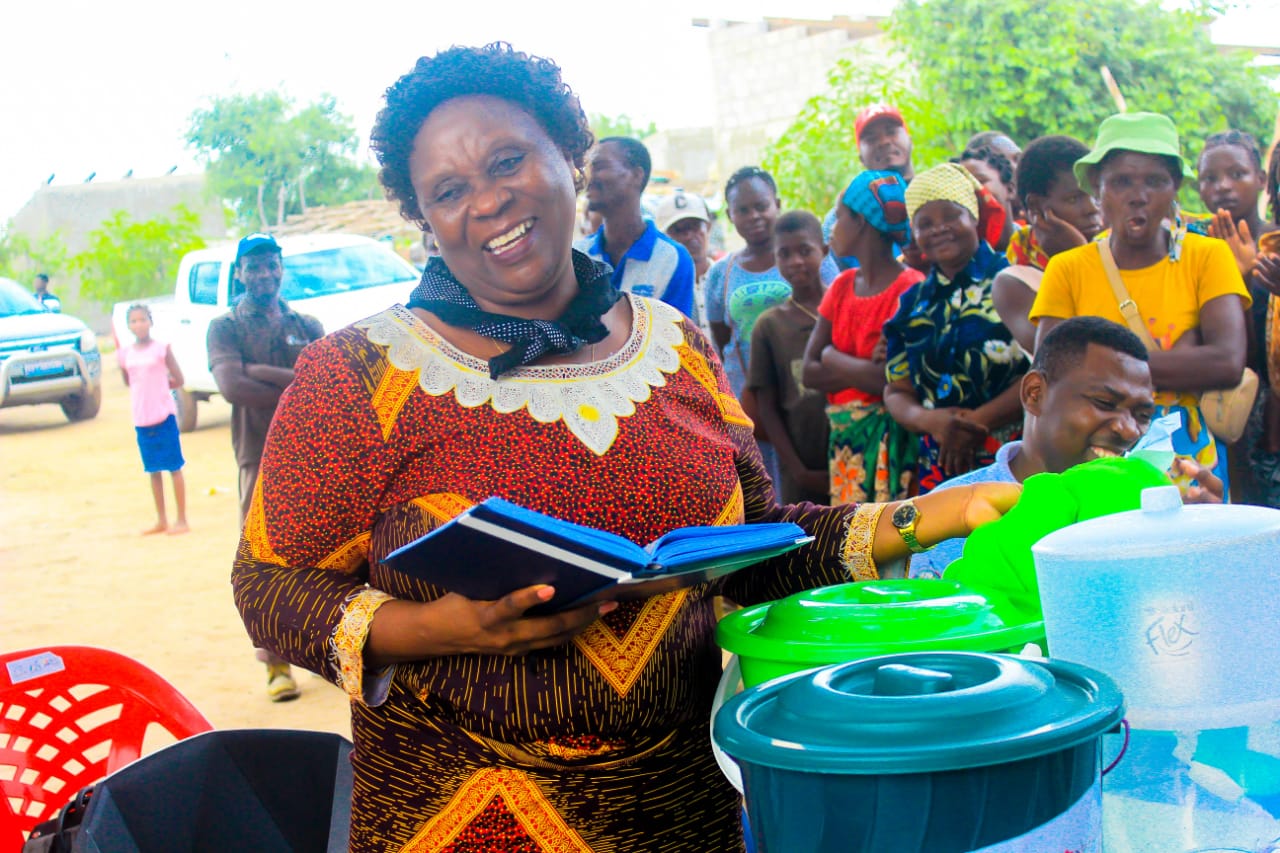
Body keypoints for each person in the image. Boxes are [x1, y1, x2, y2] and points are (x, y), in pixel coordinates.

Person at [230, 43, 1020, 852]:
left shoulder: (675, 346)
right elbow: (267, 584)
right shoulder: (358, 373)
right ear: (422, 216)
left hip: (683, 815)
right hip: (463, 822)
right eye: (449, 190)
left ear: (569, 157)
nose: (489, 201)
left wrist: (923, 518)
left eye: (507, 161)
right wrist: (437, 629)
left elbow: (755, 548)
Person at [1032, 112, 1251, 492]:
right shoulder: (1067, 268)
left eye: (1155, 181)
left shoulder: (1207, 256)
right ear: (1097, 188)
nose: (1138, 196)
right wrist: (1185, 357)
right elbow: (1052, 373)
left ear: (1175, 187)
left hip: (1188, 459)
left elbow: (1228, 363)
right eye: (1121, 182)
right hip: (1094, 453)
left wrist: (1099, 379)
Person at [910, 315, 1222, 577]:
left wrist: (1202, 546)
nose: (1129, 430)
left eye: (1141, 415)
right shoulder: (947, 515)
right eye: (1104, 403)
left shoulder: (1143, 514)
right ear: (1034, 394)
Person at [208, 232, 324, 703]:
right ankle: (276, 665)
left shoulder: (306, 324)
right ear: (240, 273)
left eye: (271, 264)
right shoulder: (225, 327)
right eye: (254, 266)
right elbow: (232, 387)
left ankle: (328, 653)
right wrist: (296, 384)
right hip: (258, 456)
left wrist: (261, 372)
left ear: (281, 268)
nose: (264, 274)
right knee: (265, 559)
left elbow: (324, 384)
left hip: (314, 454)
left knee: (326, 552)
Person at [883, 162, 1029, 494]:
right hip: (941, 464)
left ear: (973, 217)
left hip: (1015, 457)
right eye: (925, 223)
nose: (939, 229)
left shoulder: (1015, 282)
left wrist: (976, 422)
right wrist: (930, 421)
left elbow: (1044, 370)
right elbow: (896, 389)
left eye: (951, 216)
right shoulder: (912, 304)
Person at [803, 170, 923, 504]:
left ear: (861, 222)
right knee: (854, 529)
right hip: (846, 445)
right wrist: (865, 371)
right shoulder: (842, 286)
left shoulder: (910, 288)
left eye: (839, 216)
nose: (832, 227)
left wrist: (832, 356)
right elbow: (809, 372)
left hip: (892, 442)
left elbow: (890, 381)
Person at [1194, 130, 1279, 505]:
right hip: (1222, 419)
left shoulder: (1275, 245)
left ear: (1261, 180)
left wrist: (1245, 278)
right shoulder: (1191, 249)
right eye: (1210, 178)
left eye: (1237, 174)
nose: (1223, 187)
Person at [748, 211, 831, 503]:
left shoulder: (845, 308)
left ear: (824, 250)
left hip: (856, 454)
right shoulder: (770, 326)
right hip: (801, 468)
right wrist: (798, 471)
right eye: (784, 254)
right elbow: (767, 407)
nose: (795, 261)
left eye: (805, 251)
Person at [994, 135, 1104, 353]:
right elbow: (1063, 356)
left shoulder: (1118, 250)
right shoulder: (1013, 283)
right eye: (1074, 199)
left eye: (1095, 195)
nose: (1092, 208)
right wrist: (1076, 257)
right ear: (1036, 206)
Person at [579, 136, 695, 316]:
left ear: (637, 175)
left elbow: (672, 331)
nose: (588, 177)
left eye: (599, 166)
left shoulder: (671, 258)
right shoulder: (577, 256)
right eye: (588, 168)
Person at [118, 303, 188, 536]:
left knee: (174, 467)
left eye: (143, 320)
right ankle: (161, 520)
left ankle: (182, 519)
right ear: (128, 326)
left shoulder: (162, 349)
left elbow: (178, 378)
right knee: (153, 470)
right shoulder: (124, 354)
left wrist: (160, 387)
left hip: (164, 415)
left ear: (151, 322)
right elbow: (129, 380)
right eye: (134, 321)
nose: (139, 325)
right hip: (142, 418)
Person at [655, 189, 715, 340]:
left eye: (695, 226)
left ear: (707, 227)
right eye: (677, 230)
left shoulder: (724, 276)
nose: (688, 236)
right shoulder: (662, 286)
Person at [957, 144, 1018, 251]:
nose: (971, 190)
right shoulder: (957, 257)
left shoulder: (1037, 245)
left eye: (980, 181)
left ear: (1010, 189)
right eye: (962, 186)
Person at [855, 103, 915, 180]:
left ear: (910, 141)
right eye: (871, 139)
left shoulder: (930, 184)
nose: (883, 142)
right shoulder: (853, 188)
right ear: (861, 159)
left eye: (891, 132)